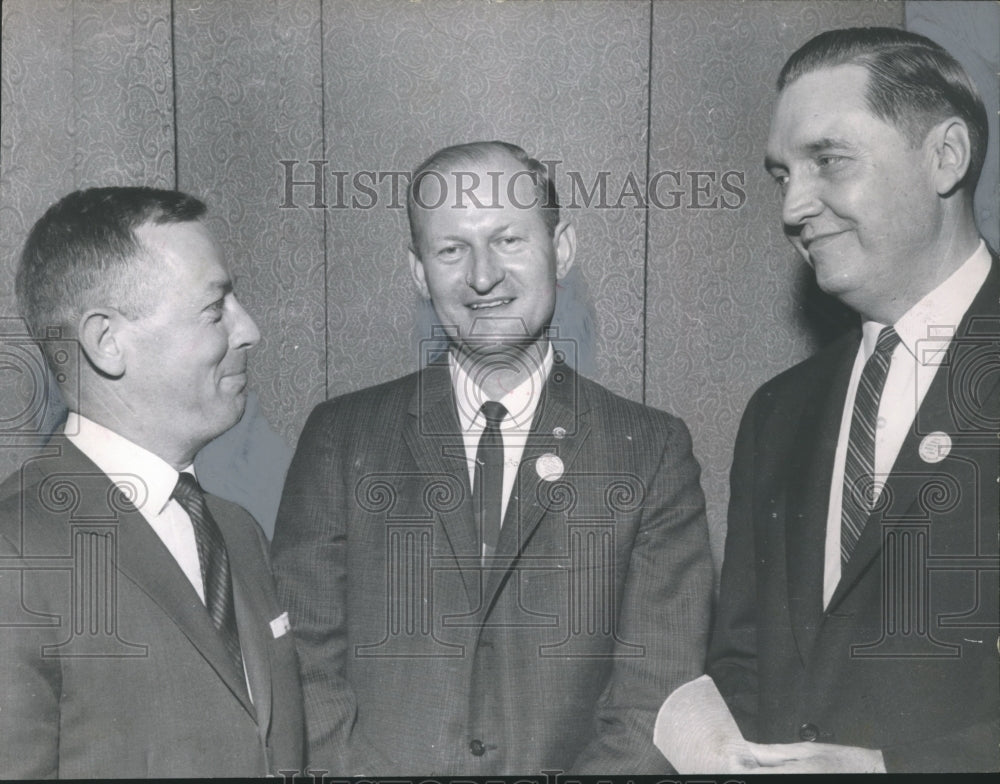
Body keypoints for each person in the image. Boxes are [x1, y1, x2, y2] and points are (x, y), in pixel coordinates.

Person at [271, 141, 713, 775]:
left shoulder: (650, 452)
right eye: (452, 249)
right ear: (420, 272)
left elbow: (654, 699)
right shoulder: (342, 438)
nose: (482, 276)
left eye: (508, 241)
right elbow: (305, 666)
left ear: (560, 250)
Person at [706, 27, 999, 773]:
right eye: (782, 175)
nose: (792, 209)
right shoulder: (777, 411)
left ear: (946, 157)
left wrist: (887, 770)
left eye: (828, 161)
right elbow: (743, 659)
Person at [0, 187, 305, 777]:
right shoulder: (15, 553)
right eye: (216, 309)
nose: (251, 330)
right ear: (106, 342)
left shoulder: (237, 533)